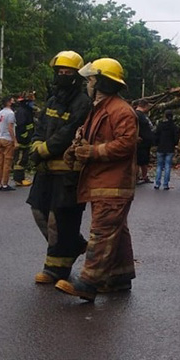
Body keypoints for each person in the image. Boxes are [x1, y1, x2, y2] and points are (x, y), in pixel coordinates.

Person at [57, 57, 138, 302]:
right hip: (103, 182)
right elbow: (87, 137)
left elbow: (126, 144)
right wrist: (75, 149)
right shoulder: (99, 108)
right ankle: (119, 277)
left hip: (114, 185)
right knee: (115, 230)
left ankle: (88, 282)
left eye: (91, 79)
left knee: (102, 232)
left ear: (102, 82)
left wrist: (93, 152)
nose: (88, 84)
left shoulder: (121, 111)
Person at [25, 51, 92, 284]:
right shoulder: (53, 101)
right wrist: (35, 144)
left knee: (60, 219)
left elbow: (69, 131)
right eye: (60, 72)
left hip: (67, 173)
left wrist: (44, 150)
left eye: (68, 72)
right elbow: (41, 126)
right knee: (39, 211)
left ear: (77, 76)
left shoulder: (83, 103)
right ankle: (74, 244)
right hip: (45, 171)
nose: (63, 76)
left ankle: (56, 268)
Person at [11, 91, 36, 187]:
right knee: (20, 160)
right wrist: (25, 136)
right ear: (26, 102)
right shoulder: (22, 111)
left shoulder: (27, 111)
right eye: (31, 101)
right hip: (22, 139)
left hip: (26, 138)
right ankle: (19, 179)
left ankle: (21, 178)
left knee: (24, 159)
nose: (32, 103)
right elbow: (21, 126)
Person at [152, 110, 180, 190]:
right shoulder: (174, 126)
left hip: (161, 147)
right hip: (170, 148)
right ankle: (165, 184)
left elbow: (156, 135)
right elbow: (176, 137)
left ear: (165, 116)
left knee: (159, 166)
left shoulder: (160, 125)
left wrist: (156, 143)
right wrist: (174, 144)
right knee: (167, 166)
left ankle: (157, 183)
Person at [0, 95, 18, 191]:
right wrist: (15, 140)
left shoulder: (0, 113)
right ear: (8, 102)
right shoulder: (10, 113)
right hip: (8, 139)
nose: (13, 102)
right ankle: (5, 184)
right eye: (12, 100)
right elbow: (10, 128)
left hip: (0, 138)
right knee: (7, 163)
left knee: (0, 163)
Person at [133, 100, 155, 184]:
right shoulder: (136, 115)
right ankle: (136, 178)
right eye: (148, 106)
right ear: (144, 106)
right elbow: (132, 126)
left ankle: (145, 176)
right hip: (140, 143)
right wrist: (135, 136)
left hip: (146, 142)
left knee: (144, 160)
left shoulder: (143, 115)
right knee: (138, 161)